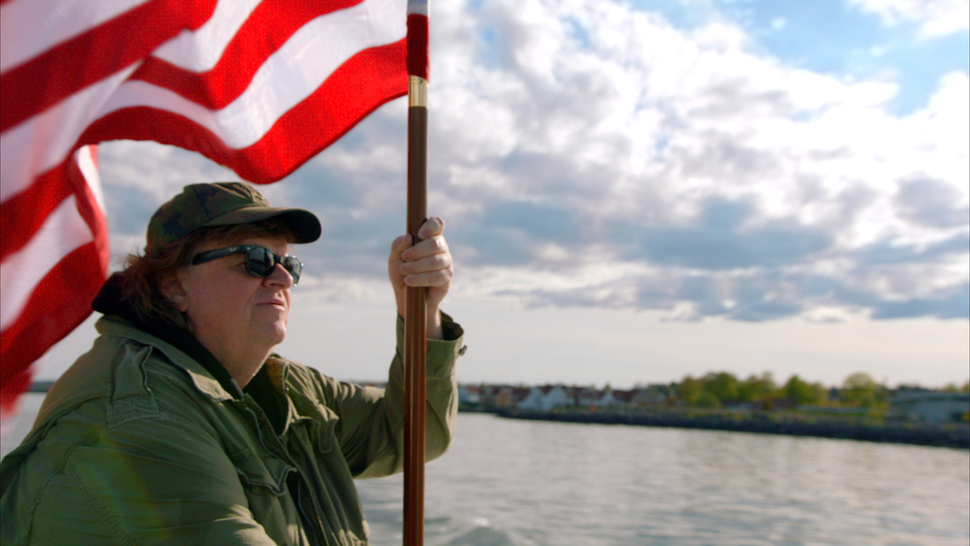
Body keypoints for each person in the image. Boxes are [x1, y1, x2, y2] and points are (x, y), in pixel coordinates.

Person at [0, 182, 465, 545]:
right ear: (172, 285)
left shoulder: (285, 388)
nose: (282, 277)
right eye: (255, 260)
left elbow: (413, 431)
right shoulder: (134, 417)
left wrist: (420, 311)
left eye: (290, 264)